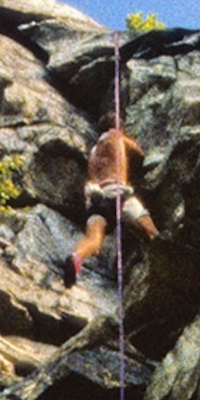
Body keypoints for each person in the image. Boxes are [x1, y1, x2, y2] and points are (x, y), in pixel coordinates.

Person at [67, 120, 160, 288]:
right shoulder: (115, 135)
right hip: (117, 191)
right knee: (149, 230)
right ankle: (165, 258)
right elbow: (140, 154)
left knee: (94, 239)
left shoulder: (94, 150)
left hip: (95, 196)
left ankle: (76, 257)